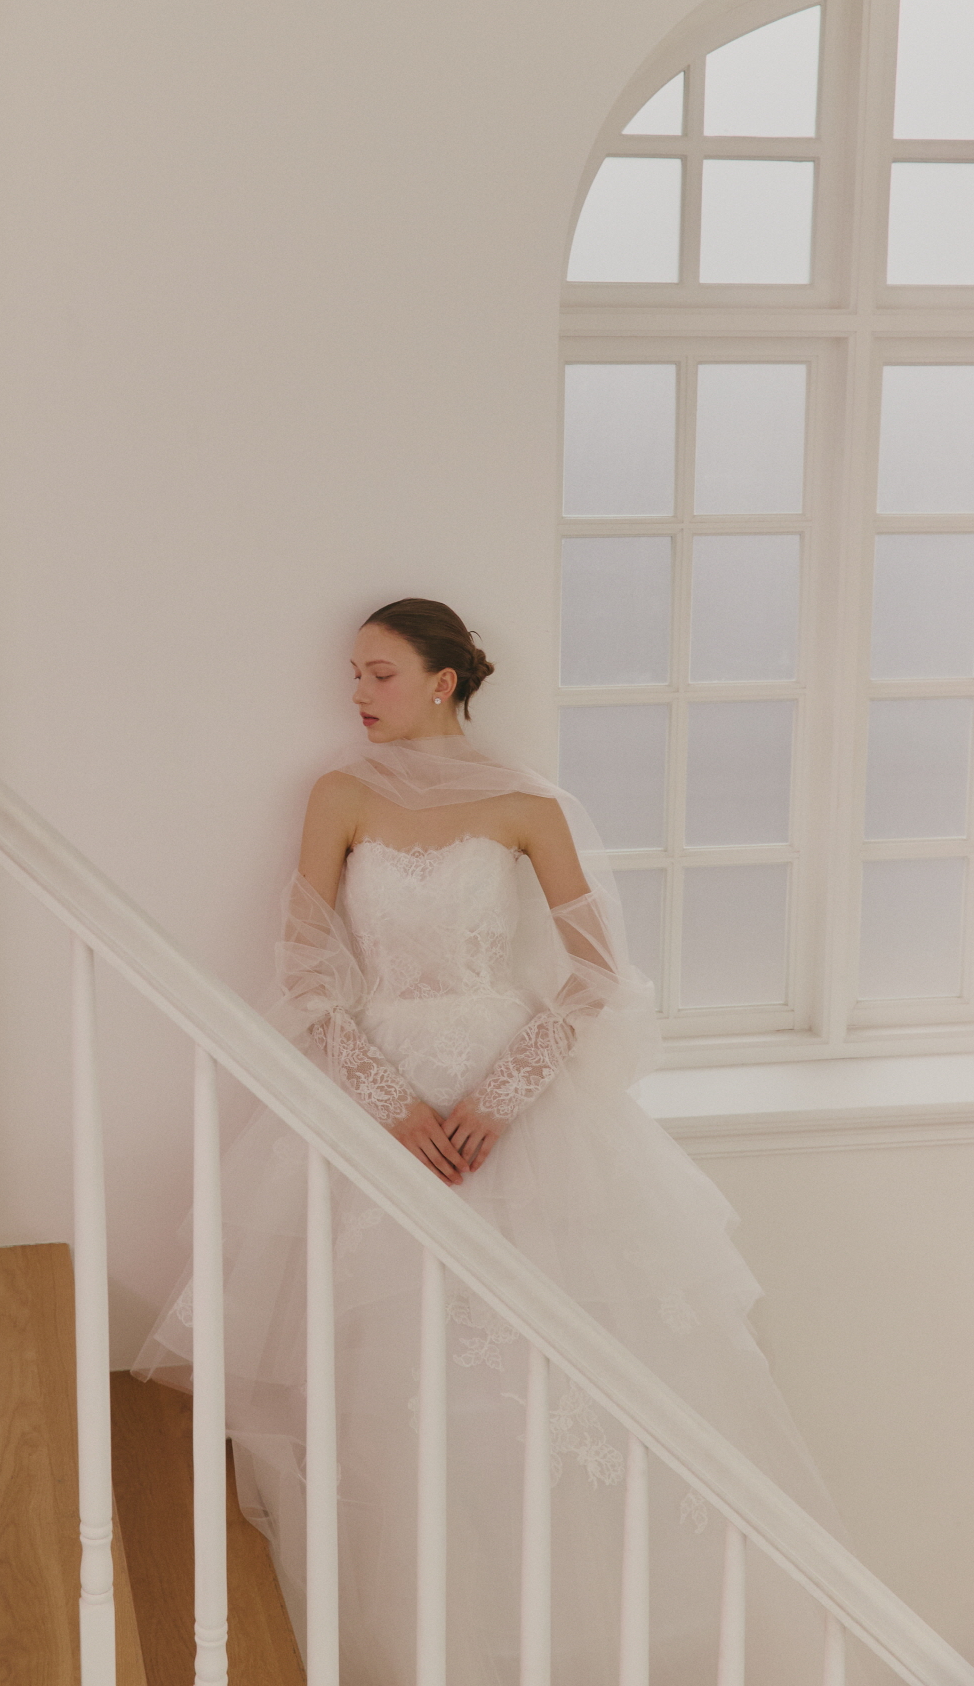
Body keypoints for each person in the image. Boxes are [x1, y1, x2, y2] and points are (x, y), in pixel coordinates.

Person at [136, 598, 872, 1685]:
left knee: (553, 1380)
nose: (357, 693)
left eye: (379, 673)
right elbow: (304, 967)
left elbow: (597, 975)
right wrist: (385, 1100)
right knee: (398, 1381)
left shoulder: (525, 803)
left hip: (510, 1104)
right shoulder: (339, 794)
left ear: (442, 681)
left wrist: (505, 1092)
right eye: (353, 674)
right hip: (378, 1095)